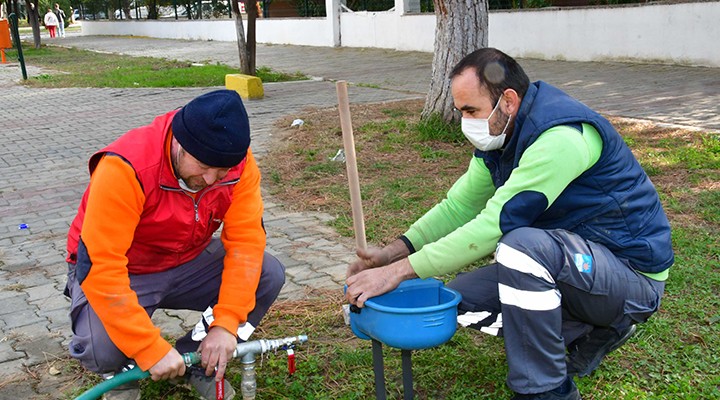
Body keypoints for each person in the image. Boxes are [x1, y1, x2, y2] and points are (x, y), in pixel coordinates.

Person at [344, 48, 672, 400]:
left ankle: (548, 390)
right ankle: (585, 332)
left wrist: (398, 273)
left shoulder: (561, 137)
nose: (464, 122)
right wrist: (391, 254)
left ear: (509, 101)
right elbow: (458, 207)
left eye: (470, 110)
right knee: (460, 298)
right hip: (574, 265)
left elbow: (494, 225)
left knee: (520, 248)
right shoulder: (500, 141)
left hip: (630, 276)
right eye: (460, 112)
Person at [65, 90, 285, 400]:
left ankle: (194, 359)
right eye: (203, 167)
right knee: (102, 349)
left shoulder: (239, 166)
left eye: (221, 172)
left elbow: (246, 243)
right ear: (179, 144)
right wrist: (148, 348)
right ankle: (124, 374)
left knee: (268, 273)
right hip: (125, 269)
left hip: (186, 261)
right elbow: (101, 266)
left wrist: (225, 325)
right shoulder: (126, 167)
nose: (210, 180)